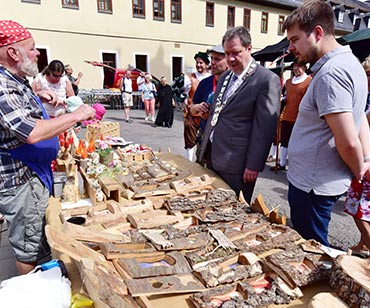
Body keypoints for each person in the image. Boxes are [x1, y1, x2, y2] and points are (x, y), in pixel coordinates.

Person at [0, 20, 96, 274]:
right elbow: (30, 133)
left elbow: (20, 115)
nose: (37, 53)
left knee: (35, 238)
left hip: (30, 174)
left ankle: (44, 274)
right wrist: (77, 115)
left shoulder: (14, 80)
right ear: (13, 52)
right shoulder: (2, 85)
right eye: (32, 48)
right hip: (21, 180)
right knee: (27, 248)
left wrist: (37, 99)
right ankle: (34, 291)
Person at [283, 0, 369, 247]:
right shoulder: (350, 64)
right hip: (315, 182)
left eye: (295, 39)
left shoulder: (332, 73)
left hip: (312, 186)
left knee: (313, 250)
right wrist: (363, 162)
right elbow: (360, 116)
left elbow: (347, 141)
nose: (290, 48)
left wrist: (359, 169)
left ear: (318, 33)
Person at [199, 26, 281, 204]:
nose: (230, 58)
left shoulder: (266, 80)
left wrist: (254, 165)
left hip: (237, 162)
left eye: (235, 52)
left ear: (249, 48)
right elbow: (222, 110)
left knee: (232, 209)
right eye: (227, 53)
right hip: (213, 153)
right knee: (211, 205)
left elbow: (264, 129)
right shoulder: (225, 76)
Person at [189, 44, 228, 163]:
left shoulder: (233, 84)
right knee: (201, 171)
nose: (213, 63)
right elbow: (191, 108)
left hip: (223, 139)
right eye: (212, 58)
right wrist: (198, 107)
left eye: (218, 59)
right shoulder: (205, 83)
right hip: (204, 135)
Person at [271, 62, 311, 171]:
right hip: (286, 115)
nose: (297, 69)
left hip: (301, 118)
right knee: (284, 141)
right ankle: (282, 163)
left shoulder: (309, 82)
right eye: (295, 67)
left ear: (305, 67)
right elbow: (285, 96)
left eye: (299, 66)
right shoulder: (288, 82)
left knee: (297, 144)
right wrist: (282, 100)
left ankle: (295, 166)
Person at [183, 51, 211, 161]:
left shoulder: (211, 78)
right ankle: (189, 161)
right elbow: (182, 93)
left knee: (205, 140)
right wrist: (184, 100)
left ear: (207, 64)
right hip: (192, 114)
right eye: (197, 63)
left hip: (205, 115)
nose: (199, 65)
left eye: (201, 63)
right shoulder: (189, 78)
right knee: (190, 139)